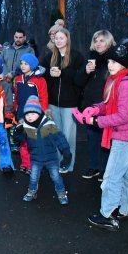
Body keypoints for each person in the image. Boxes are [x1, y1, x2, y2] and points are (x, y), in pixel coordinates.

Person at [75, 39, 128, 232]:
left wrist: (96, 122)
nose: (109, 64)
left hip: (124, 135)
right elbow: (109, 103)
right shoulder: (116, 79)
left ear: (124, 63)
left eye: (114, 61)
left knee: (111, 177)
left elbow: (124, 115)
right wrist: (96, 109)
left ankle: (108, 215)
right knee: (126, 173)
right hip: (120, 134)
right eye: (109, 61)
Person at [40, 27, 84, 173]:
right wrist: (49, 75)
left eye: (61, 38)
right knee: (56, 133)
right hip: (53, 103)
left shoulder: (76, 57)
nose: (58, 41)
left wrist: (63, 73)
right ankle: (58, 162)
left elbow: (80, 79)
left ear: (67, 39)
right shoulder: (49, 57)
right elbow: (43, 79)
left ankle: (69, 164)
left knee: (68, 135)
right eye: (56, 38)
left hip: (70, 103)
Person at [74, 30, 116, 180]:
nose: (98, 43)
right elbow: (78, 82)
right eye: (96, 40)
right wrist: (85, 71)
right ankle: (94, 167)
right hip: (90, 106)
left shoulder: (113, 60)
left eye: (102, 41)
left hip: (106, 106)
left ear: (109, 42)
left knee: (106, 139)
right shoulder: (90, 59)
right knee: (92, 138)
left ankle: (106, 169)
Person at [19, 95, 71, 205]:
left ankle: (61, 193)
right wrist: (18, 132)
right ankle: (32, 192)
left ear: (39, 113)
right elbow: (19, 140)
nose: (30, 117)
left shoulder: (49, 125)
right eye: (27, 114)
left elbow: (60, 138)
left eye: (33, 113)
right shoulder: (26, 127)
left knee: (56, 176)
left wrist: (66, 151)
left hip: (51, 158)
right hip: (35, 158)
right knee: (33, 177)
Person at [12, 53, 48, 174]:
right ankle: (25, 163)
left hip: (34, 115)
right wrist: (15, 110)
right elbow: (16, 97)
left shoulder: (40, 80)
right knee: (23, 140)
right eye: (21, 63)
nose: (22, 66)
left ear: (32, 65)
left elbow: (43, 99)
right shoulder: (18, 79)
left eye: (26, 64)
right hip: (21, 114)